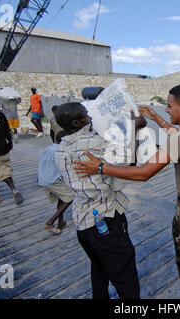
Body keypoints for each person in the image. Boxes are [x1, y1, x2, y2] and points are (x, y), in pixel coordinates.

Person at [75, 84, 180, 299]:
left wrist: (101, 167)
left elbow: (144, 172)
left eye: (169, 105)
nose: (166, 109)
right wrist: (157, 118)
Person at [54, 102, 141, 299]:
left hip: (83, 221)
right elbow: (129, 162)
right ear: (77, 122)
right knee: (125, 275)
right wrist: (134, 128)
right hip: (106, 220)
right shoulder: (95, 143)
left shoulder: (61, 147)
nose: (91, 118)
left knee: (99, 268)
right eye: (86, 116)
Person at [38, 130, 74, 234]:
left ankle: (61, 223)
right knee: (70, 197)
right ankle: (50, 222)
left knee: (62, 198)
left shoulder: (48, 149)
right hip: (53, 180)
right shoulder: (61, 152)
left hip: (43, 179)